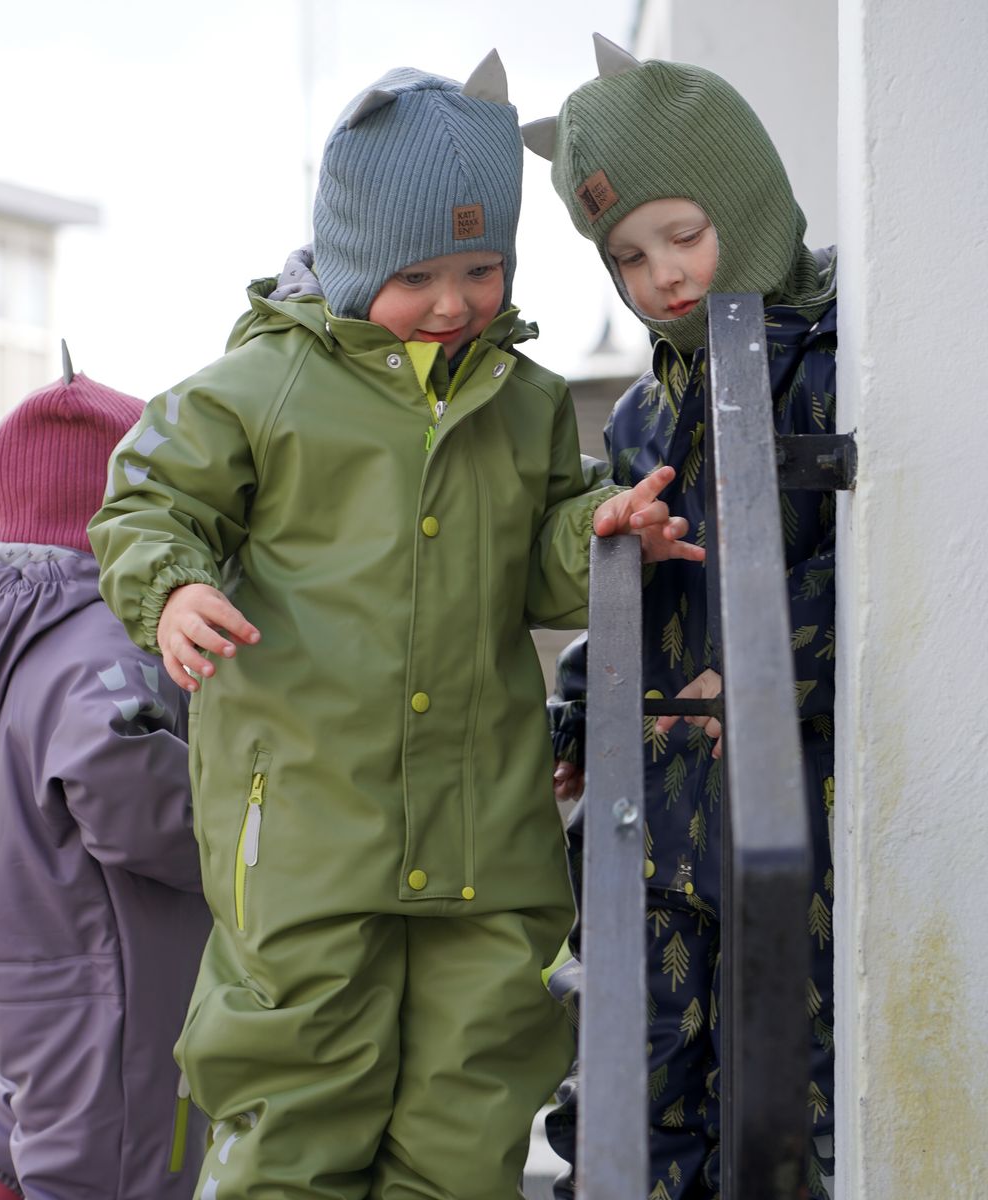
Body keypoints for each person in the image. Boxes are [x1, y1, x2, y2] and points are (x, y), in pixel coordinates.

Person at [89, 50, 701, 1200]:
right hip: (314, 829)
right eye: (421, 275)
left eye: (483, 268)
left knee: (475, 1094)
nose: (458, 301)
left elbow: (538, 549)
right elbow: (147, 497)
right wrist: (170, 587)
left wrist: (605, 533)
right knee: (299, 1093)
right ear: (357, 254)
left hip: (483, 834)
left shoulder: (519, 397)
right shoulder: (263, 384)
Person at [523, 34, 838, 1200]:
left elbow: (867, 576)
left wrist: (766, 677)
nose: (663, 275)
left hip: (789, 804)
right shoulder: (646, 413)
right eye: (628, 256)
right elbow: (628, 594)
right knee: (640, 1069)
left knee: (785, 1087)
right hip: (656, 811)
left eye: (686, 235)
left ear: (746, 204)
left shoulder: (833, 365)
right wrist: (575, 711)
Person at [0, 370, 211, 1200]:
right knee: (121, 1149)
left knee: (43, 1085)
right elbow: (123, 789)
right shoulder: (106, 632)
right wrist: (243, 838)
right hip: (87, 952)